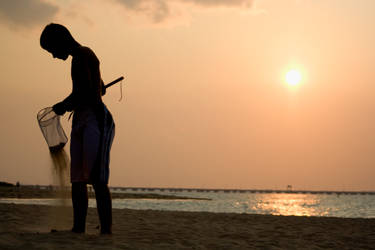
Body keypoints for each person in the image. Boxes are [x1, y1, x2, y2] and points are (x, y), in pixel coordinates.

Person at [40, 23, 115, 234]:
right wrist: (70, 102)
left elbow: (86, 94)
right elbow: (98, 87)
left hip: (96, 120)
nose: (54, 56)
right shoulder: (80, 58)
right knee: (78, 179)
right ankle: (78, 227)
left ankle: (106, 230)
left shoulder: (84, 55)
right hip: (81, 119)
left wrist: (65, 104)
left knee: (97, 178)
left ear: (61, 41)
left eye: (52, 50)